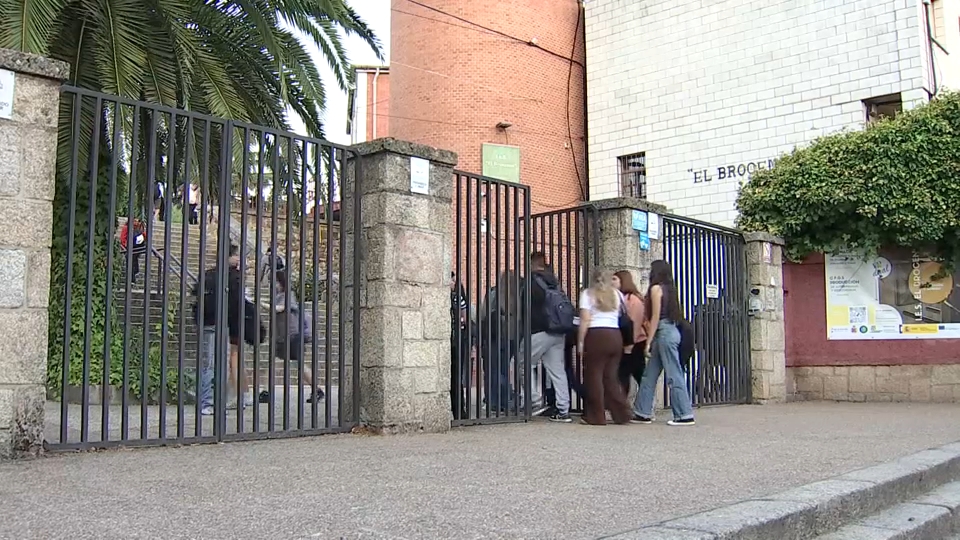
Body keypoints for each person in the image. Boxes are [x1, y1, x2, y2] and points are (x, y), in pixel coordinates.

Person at [633, 260, 695, 426]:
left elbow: (655, 318)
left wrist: (648, 342)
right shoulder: (670, 290)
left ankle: (684, 414)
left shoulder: (656, 289)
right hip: (671, 331)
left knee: (674, 374)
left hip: (663, 333)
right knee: (649, 375)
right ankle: (642, 411)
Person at [191, 244, 245, 415]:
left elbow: (195, 291)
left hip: (207, 321)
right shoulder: (232, 276)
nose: (238, 259)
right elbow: (237, 300)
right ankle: (208, 402)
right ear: (228, 257)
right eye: (236, 255)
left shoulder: (208, 274)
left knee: (210, 362)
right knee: (215, 363)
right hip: (219, 322)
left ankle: (209, 400)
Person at [259, 270, 325, 405]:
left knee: (299, 365)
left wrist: (261, 303)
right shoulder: (279, 295)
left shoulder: (288, 295)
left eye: (275, 282)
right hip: (281, 338)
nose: (273, 285)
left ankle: (317, 390)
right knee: (272, 363)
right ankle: (266, 392)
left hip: (292, 336)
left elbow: (279, 309)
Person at [577, 269, 632, 425]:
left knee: (593, 376)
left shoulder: (588, 294)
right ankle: (622, 414)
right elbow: (623, 315)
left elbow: (585, 320)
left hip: (596, 335)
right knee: (611, 377)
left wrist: (581, 342)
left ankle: (596, 416)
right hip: (615, 336)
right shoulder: (617, 295)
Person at [524, 252, 573, 423]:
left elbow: (526, 307)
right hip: (558, 331)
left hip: (539, 330)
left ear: (531, 263)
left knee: (520, 363)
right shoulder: (554, 282)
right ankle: (563, 409)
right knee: (557, 370)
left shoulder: (531, 281)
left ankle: (534, 401)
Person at [479, 271, 518, 413]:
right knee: (504, 369)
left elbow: (483, 313)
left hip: (495, 336)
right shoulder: (518, 295)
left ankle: (494, 401)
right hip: (512, 337)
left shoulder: (494, 293)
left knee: (493, 370)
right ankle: (505, 400)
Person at [614, 270, 647, 398]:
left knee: (635, 374)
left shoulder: (633, 300)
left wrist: (630, 343)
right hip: (625, 342)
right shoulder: (620, 298)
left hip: (635, 343)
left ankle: (645, 406)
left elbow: (635, 323)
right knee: (624, 374)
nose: (612, 282)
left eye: (615, 279)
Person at [450, 272, 469, 419]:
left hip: (456, 340)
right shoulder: (456, 297)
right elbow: (465, 318)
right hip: (456, 339)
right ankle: (458, 410)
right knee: (456, 374)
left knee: (456, 374)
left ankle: (458, 410)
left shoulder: (457, 297)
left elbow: (464, 318)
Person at [118, 218, 147, 284]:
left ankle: (133, 276)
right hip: (129, 248)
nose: (136, 222)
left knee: (134, 263)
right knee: (131, 263)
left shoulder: (139, 228)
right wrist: (125, 247)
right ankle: (132, 279)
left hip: (136, 248)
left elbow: (143, 237)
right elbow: (123, 238)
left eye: (137, 221)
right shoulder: (126, 228)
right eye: (134, 221)